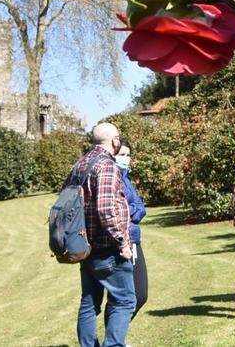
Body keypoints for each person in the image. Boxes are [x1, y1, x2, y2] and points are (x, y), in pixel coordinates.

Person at [71, 121, 136, 346]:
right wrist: (122, 243)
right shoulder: (107, 166)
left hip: (85, 246)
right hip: (107, 249)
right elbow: (106, 209)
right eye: (118, 137)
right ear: (114, 140)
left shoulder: (80, 164)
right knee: (125, 301)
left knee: (89, 303)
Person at [100, 140, 148, 324]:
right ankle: (113, 340)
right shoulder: (111, 177)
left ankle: (114, 338)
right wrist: (128, 213)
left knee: (140, 295)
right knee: (122, 297)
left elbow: (140, 208)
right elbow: (113, 210)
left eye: (128, 155)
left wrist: (127, 212)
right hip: (121, 241)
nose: (125, 159)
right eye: (122, 155)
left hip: (134, 239)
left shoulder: (126, 179)